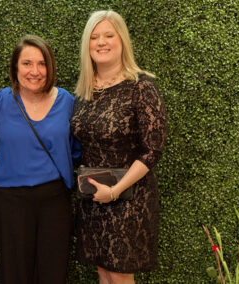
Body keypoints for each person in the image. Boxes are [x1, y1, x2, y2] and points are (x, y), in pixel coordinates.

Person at [70, 10, 167, 284]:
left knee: (119, 274)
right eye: (95, 37)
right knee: (103, 272)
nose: (101, 42)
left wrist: (114, 191)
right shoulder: (85, 91)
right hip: (93, 198)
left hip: (129, 198)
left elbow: (153, 150)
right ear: (87, 45)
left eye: (109, 35)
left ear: (121, 40)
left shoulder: (142, 87)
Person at [0, 35, 79, 284]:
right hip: (10, 203)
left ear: (50, 68)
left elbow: (76, 150)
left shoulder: (68, 102)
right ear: (15, 68)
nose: (35, 71)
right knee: (13, 273)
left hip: (55, 202)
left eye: (42, 63)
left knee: (53, 273)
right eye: (27, 63)